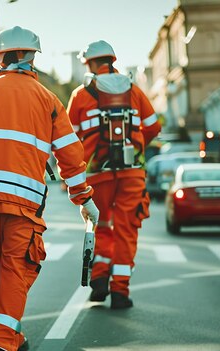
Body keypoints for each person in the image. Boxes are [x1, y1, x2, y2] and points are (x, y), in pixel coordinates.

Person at [0, 26, 99, 351]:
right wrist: (84, 199)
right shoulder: (49, 100)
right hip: (23, 209)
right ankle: (2, 343)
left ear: (0, 57)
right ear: (32, 58)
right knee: (15, 271)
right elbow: (71, 156)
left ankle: (12, 338)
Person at [67, 40, 161, 309]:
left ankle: (99, 278)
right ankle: (120, 292)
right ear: (113, 60)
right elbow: (153, 127)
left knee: (102, 224)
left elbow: (68, 139)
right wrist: (138, 149)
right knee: (126, 229)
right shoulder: (134, 90)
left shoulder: (81, 94)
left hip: (96, 172)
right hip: (132, 173)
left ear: (90, 64)